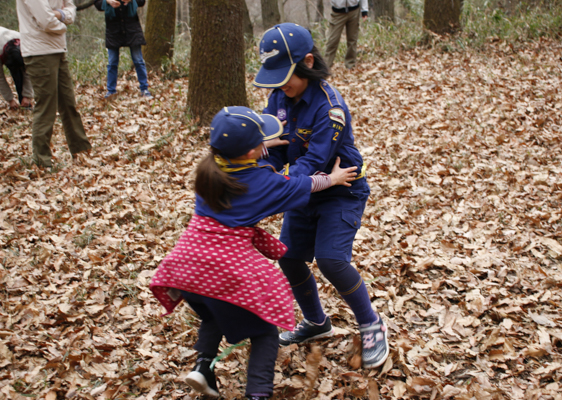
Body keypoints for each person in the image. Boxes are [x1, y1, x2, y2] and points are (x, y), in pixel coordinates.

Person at [150, 106, 358, 400]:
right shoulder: (262, 183)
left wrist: (261, 146)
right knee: (264, 332)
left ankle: (202, 366)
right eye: (261, 141)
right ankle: (258, 393)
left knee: (213, 314)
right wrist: (334, 179)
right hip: (223, 267)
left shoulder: (209, 170)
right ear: (250, 152)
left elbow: (239, 157)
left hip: (186, 267)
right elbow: (305, 183)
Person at [253, 23, 389, 369]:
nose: (280, 87)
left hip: (340, 189)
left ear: (308, 63)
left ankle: (371, 323)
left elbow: (315, 161)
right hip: (303, 190)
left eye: (285, 77)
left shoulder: (330, 109)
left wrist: (276, 187)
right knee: (289, 256)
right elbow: (278, 146)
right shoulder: (278, 98)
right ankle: (316, 322)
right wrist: (259, 164)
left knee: (331, 259)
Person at [16, 0, 92, 168]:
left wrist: (61, 14)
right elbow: (46, 21)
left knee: (68, 103)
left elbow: (70, 8)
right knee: (47, 107)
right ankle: (42, 161)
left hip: (58, 48)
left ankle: (81, 151)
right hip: (38, 52)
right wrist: (63, 23)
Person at [94, 0, 152, 99]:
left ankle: (144, 89)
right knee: (112, 62)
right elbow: (97, 4)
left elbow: (142, 2)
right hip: (113, 29)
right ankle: (111, 91)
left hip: (132, 28)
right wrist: (108, 1)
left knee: (138, 61)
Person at [323, 0, 368, 70]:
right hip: (337, 12)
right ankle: (326, 67)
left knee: (352, 40)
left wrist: (364, 10)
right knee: (332, 40)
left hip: (354, 10)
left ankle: (350, 65)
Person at [0, 27, 33, 110]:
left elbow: (28, 71)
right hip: (3, 48)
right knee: (17, 73)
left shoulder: (26, 44)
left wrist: (27, 95)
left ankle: (25, 103)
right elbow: (0, 79)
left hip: (18, 50)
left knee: (20, 74)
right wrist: (10, 99)